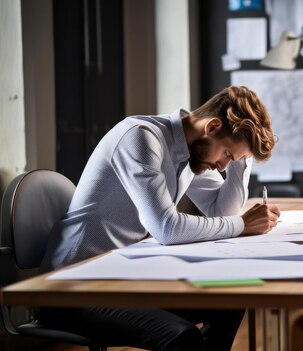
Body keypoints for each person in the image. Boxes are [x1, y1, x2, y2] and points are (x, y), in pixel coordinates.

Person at [38, 86, 281, 350]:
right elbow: (166, 228)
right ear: (211, 127)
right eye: (226, 155)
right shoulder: (141, 138)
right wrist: (244, 225)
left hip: (120, 278)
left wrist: (241, 161)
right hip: (71, 288)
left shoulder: (193, 152)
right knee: (180, 336)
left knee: (229, 303)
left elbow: (221, 213)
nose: (223, 166)